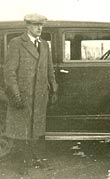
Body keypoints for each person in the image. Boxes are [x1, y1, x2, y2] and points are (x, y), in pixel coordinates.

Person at [3, 13, 58, 175]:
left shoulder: (44, 45)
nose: (39, 28)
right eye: (35, 25)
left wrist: (54, 89)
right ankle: (21, 166)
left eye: (41, 25)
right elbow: (9, 72)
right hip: (23, 97)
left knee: (37, 130)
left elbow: (49, 70)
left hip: (40, 96)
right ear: (27, 26)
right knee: (21, 131)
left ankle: (37, 160)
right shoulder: (17, 43)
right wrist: (15, 95)